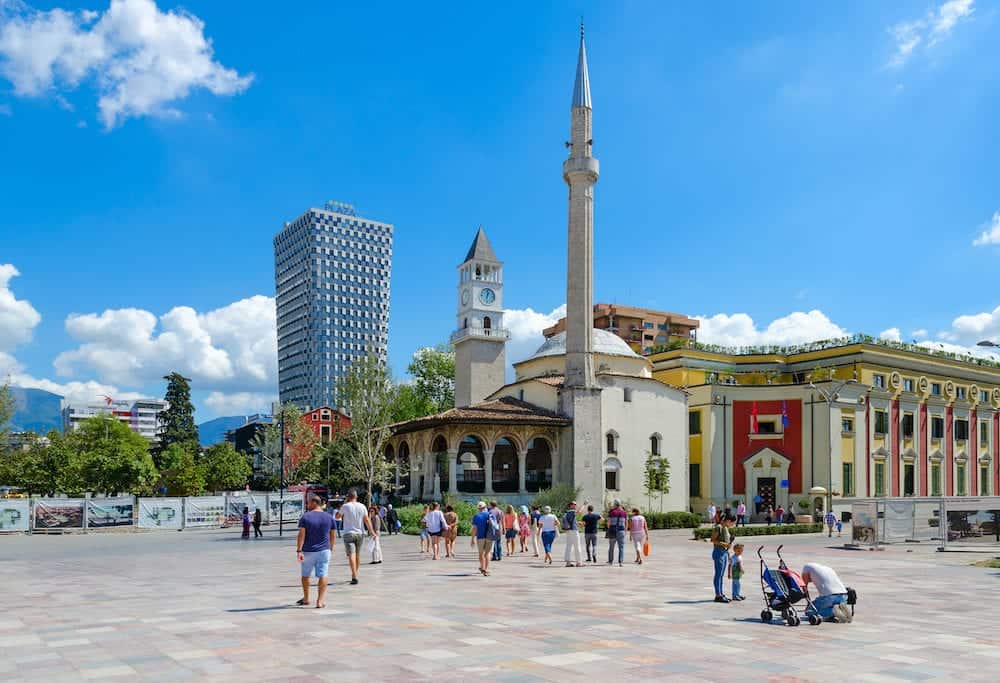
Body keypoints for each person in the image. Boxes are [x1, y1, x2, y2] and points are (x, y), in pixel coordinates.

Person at [295, 494, 336, 608]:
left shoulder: (306, 517)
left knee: (305, 575)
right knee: (323, 574)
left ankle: (306, 598)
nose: (307, 505)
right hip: (324, 551)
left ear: (314, 503)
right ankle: (320, 601)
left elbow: (301, 535)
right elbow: (333, 535)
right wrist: (330, 548)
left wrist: (299, 550)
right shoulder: (329, 517)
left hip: (308, 551)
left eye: (308, 503)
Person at [335, 489, 377, 586]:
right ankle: (355, 574)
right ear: (356, 497)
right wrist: (372, 532)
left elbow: (337, 517)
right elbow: (366, 520)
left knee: (351, 555)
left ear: (348, 497)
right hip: (360, 533)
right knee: (357, 554)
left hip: (348, 533)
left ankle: (354, 576)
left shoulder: (345, 506)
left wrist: (344, 503)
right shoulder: (362, 506)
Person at [711, 513, 736, 603]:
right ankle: (718, 595)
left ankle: (720, 593)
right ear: (728, 521)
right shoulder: (719, 527)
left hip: (724, 553)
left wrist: (728, 553)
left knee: (721, 575)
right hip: (718, 552)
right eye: (732, 523)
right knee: (718, 574)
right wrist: (725, 544)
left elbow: (727, 542)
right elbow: (713, 540)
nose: (732, 525)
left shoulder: (726, 528)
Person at [470, 502, 493, 576]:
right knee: (488, 553)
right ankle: (486, 569)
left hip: (480, 537)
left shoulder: (476, 516)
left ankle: (482, 566)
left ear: (478, 508)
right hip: (489, 536)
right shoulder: (489, 515)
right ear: (485, 507)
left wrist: (472, 539)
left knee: (481, 553)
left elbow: (474, 528)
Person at [607, 499, 628, 566]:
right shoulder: (624, 513)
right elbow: (626, 523)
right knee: (621, 547)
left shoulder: (611, 512)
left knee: (611, 547)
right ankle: (620, 562)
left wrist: (609, 528)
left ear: (615, 504)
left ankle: (610, 561)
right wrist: (625, 531)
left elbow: (608, 523)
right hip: (621, 531)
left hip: (613, 530)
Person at [562, 502, 582, 567]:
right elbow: (579, 512)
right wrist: (584, 505)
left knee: (569, 546)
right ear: (571, 505)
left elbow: (572, 521)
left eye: (576, 504)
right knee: (577, 546)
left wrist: (578, 523)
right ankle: (578, 562)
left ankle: (568, 562)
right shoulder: (572, 511)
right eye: (574, 504)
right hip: (573, 531)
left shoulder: (567, 513)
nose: (576, 505)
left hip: (568, 531)